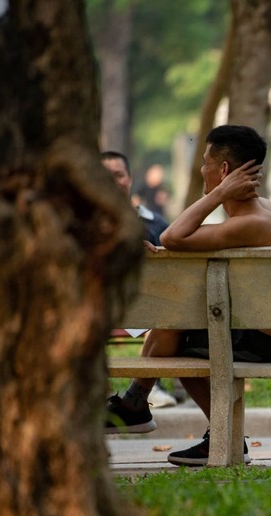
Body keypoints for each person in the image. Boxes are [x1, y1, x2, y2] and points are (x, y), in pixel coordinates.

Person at [105, 125, 271, 466]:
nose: (200, 169)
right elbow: (186, 244)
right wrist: (166, 252)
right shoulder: (265, 210)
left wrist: (215, 195)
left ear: (224, 171)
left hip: (270, 341)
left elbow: (174, 235)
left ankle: (147, 407)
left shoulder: (254, 222)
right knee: (176, 319)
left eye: (205, 162)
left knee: (173, 335)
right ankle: (135, 402)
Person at [100, 151, 179, 408]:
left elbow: (171, 274)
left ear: (130, 179)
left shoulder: (154, 223)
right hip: (99, 308)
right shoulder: (79, 226)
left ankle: (151, 386)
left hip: (143, 307)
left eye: (119, 175)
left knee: (161, 313)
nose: (113, 181)